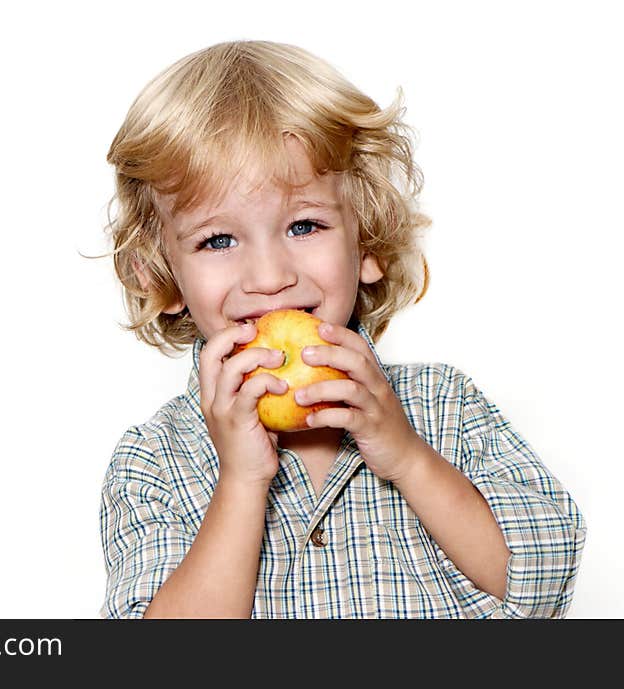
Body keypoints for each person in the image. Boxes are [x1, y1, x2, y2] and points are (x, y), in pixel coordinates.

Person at [98, 40, 585, 618]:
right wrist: (241, 484)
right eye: (218, 240)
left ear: (368, 243)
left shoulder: (444, 407)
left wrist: (405, 456)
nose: (270, 276)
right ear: (164, 277)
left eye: (304, 226)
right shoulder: (154, 461)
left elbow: (542, 584)